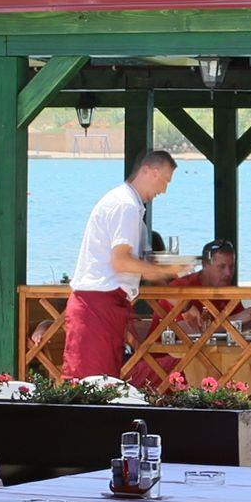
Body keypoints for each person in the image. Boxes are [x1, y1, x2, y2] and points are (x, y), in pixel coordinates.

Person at [61, 150, 192, 379]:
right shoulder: (126, 206)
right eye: (165, 180)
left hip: (105, 307)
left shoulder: (129, 205)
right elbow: (121, 261)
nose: (164, 190)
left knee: (103, 384)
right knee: (89, 386)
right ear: (149, 171)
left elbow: (134, 264)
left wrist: (176, 295)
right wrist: (165, 270)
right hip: (97, 306)